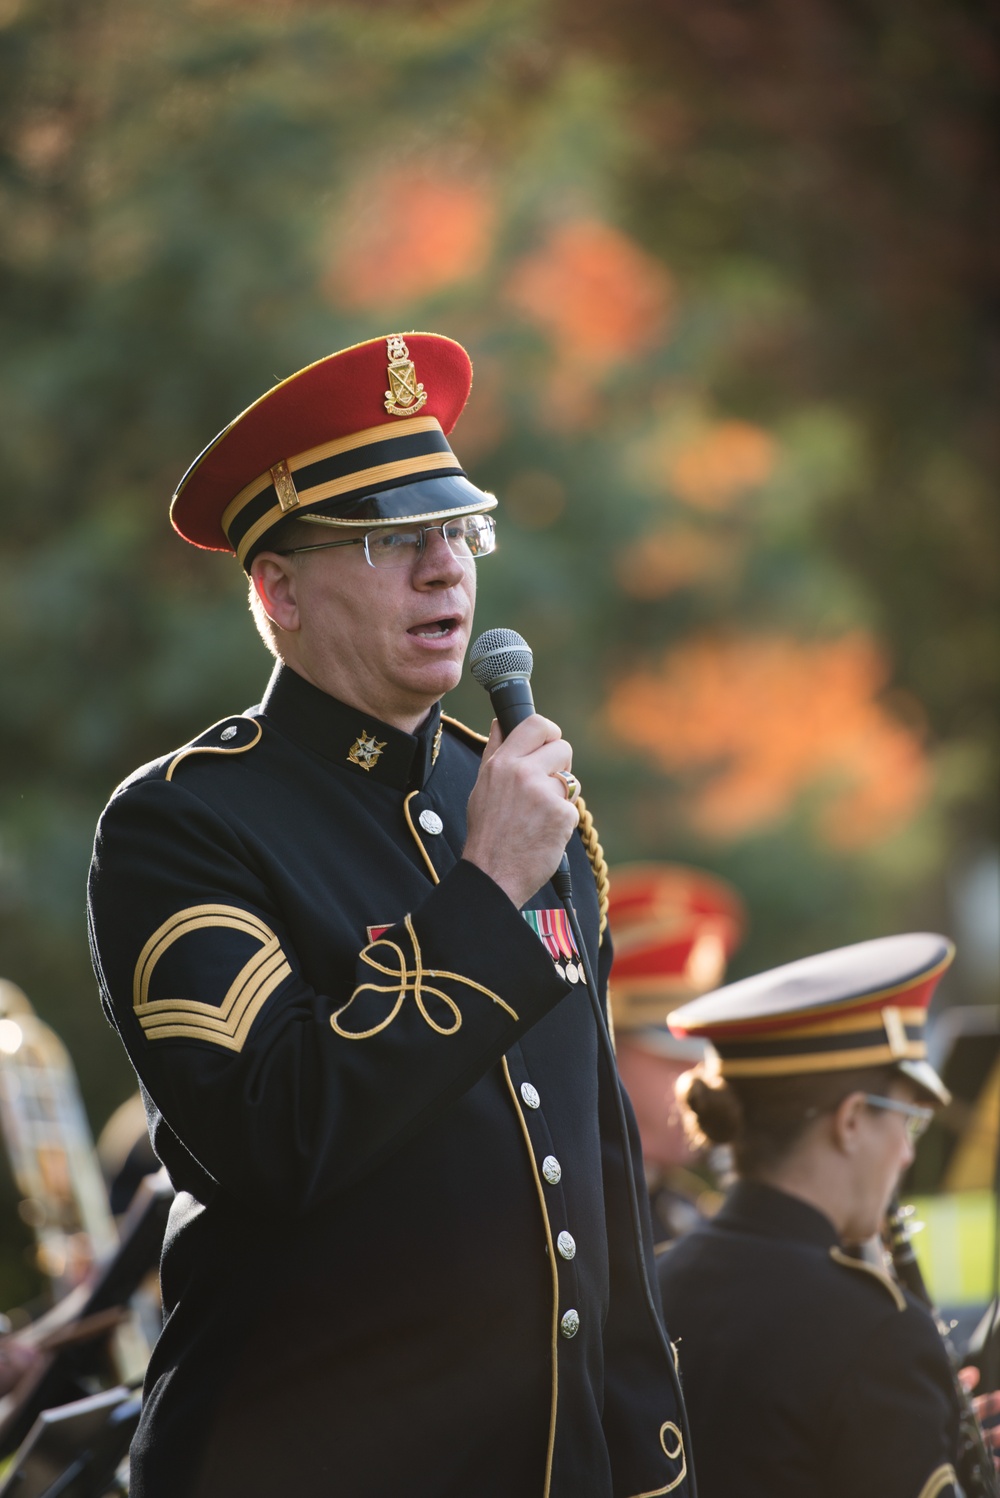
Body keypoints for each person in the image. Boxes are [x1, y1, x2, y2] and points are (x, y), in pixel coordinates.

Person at [87, 333, 691, 1497]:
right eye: (388, 539)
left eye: (460, 530)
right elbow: (278, 1134)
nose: (444, 569)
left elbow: (599, 1173)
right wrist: (482, 893)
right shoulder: (184, 823)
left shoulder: (513, 792)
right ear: (277, 590)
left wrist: (654, 1462)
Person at [657, 932, 966, 1498]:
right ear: (850, 1121)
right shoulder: (878, 1332)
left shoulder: (650, 1283)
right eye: (907, 1120)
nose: (907, 1152)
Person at [608, 862, 744, 1244]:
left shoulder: (685, 1212)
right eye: (674, 1058)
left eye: (704, 1057)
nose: (701, 1073)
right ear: (609, 1052)